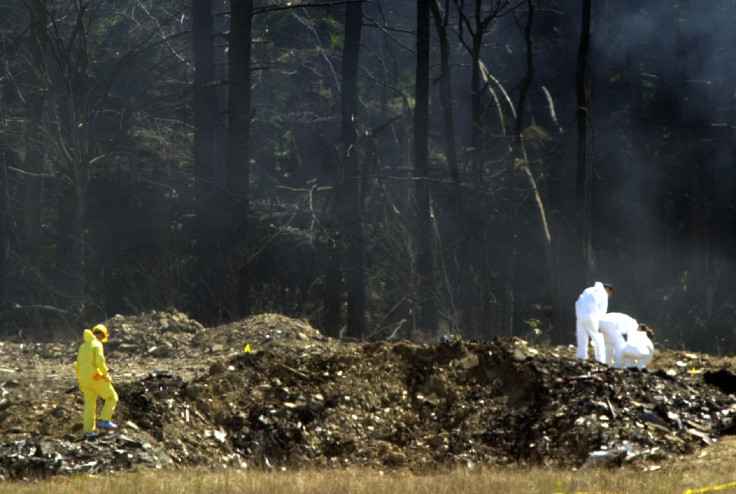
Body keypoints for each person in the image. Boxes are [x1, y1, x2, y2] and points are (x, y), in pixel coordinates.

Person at [74, 324, 119, 438]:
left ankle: (88, 431)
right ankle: (104, 419)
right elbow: (100, 362)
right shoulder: (97, 345)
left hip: (85, 381)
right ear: (101, 335)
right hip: (96, 378)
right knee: (112, 397)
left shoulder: (83, 347)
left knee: (89, 406)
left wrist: (81, 381)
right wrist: (105, 374)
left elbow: (78, 366)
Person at [575, 282, 614, 363]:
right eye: (611, 293)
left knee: (582, 338)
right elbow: (602, 311)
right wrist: (600, 324)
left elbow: (578, 302)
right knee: (598, 338)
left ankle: (581, 357)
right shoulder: (603, 294)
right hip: (592, 316)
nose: (610, 296)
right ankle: (601, 360)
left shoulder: (588, 290)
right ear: (608, 289)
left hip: (580, 314)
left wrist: (578, 314)